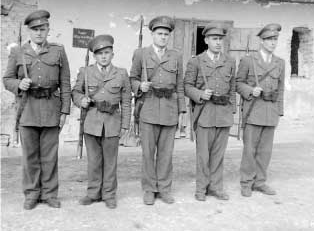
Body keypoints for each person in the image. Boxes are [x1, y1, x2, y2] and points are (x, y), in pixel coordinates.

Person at [3, 10, 71, 210]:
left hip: (51, 110)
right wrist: (18, 84)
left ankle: (50, 194)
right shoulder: (18, 52)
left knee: (50, 156)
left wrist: (65, 111)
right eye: (35, 29)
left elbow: (65, 83)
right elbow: (7, 79)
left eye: (43, 29)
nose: (39, 33)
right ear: (29, 31)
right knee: (30, 157)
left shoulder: (58, 51)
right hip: (28, 110)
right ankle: (32, 194)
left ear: (48, 30)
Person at [130, 16, 186, 205]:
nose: (163, 37)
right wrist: (139, 86)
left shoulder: (176, 56)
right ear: (152, 34)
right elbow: (132, 78)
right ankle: (149, 189)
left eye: (166, 34)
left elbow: (180, 86)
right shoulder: (141, 54)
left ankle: (164, 188)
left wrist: (181, 112)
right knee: (148, 153)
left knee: (166, 153)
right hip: (149, 108)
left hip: (170, 109)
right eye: (159, 33)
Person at [72, 35, 132, 209]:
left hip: (113, 122)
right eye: (99, 54)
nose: (103, 56)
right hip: (91, 122)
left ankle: (109, 194)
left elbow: (126, 101)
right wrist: (80, 99)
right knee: (94, 161)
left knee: (110, 161)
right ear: (94, 56)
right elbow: (75, 92)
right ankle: (92, 193)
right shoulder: (86, 72)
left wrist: (125, 125)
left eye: (107, 52)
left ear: (112, 54)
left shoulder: (121, 73)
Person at [184, 22, 236, 201]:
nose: (218, 42)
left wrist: (232, 109)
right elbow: (187, 86)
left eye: (221, 39)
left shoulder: (229, 61)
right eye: (214, 39)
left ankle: (216, 187)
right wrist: (200, 94)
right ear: (206, 40)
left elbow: (232, 87)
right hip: (204, 113)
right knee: (203, 155)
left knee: (218, 154)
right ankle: (201, 188)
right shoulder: (196, 61)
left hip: (223, 114)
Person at [236, 23, 285, 197]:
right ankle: (246, 182)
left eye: (275, 39)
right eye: (269, 39)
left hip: (270, 111)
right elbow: (238, 83)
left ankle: (260, 182)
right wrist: (250, 90)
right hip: (253, 111)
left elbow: (281, 89)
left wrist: (279, 111)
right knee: (250, 150)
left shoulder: (280, 63)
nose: (273, 43)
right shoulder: (249, 60)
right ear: (262, 41)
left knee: (266, 151)